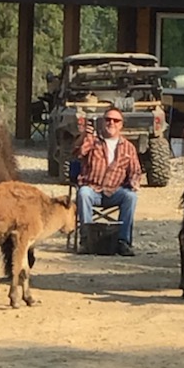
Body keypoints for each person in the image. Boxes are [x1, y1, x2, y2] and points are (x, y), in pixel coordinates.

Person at [73, 106, 141, 256]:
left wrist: (134, 181)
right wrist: (84, 135)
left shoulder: (129, 148)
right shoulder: (93, 141)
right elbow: (78, 153)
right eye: (108, 119)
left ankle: (123, 242)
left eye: (116, 120)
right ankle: (86, 240)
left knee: (131, 196)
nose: (111, 123)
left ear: (121, 124)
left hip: (115, 190)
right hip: (93, 189)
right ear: (102, 122)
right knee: (83, 193)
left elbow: (135, 171)